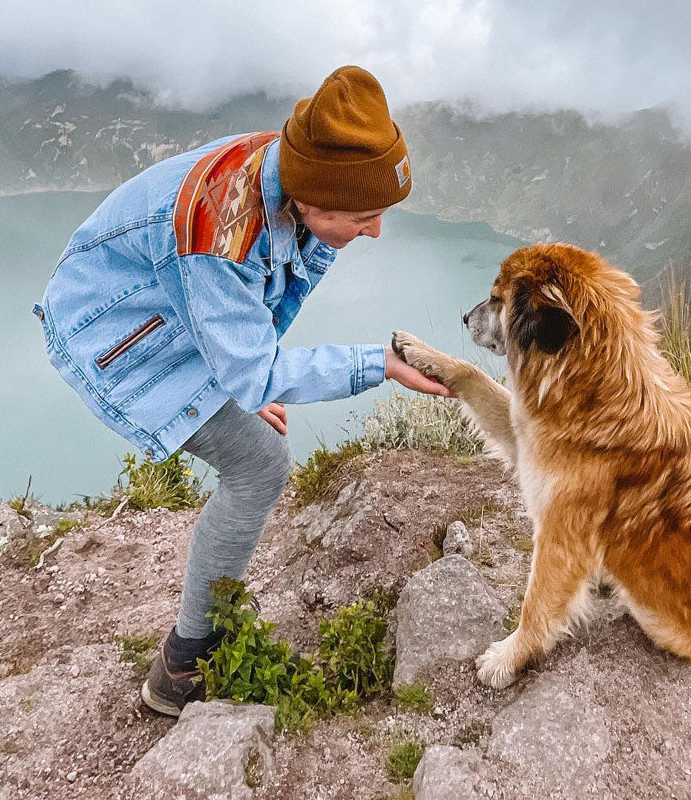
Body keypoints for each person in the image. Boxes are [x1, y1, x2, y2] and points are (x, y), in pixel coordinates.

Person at [34, 65, 450, 715]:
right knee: (259, 463)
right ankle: (183, 665)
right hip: (117, 335)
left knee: (257, 437)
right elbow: (244, 334)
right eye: (365, 217)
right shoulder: (219, 228)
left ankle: (194, 644)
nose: (375, 232)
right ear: (315, 201)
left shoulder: (296, 172)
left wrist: (250, 370)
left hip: (172, 312)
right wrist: (377, 363)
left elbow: (261, 305)